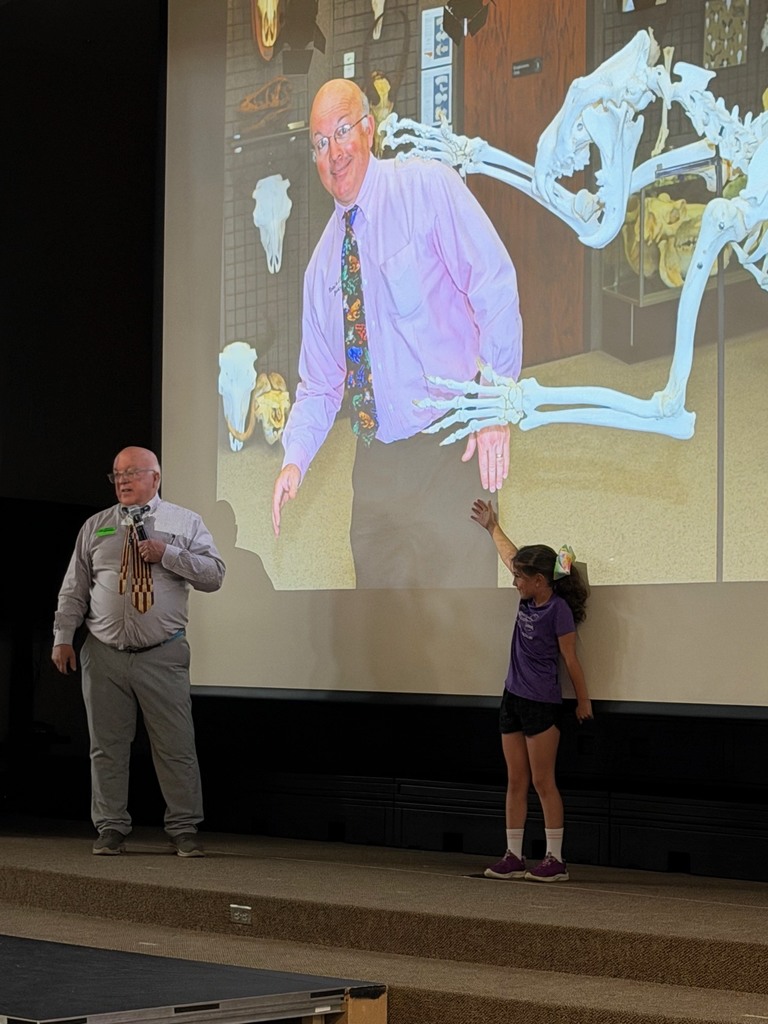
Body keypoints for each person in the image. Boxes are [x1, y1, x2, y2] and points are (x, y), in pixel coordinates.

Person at [272, 78, 523, 588]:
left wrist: (495, 405)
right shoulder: (322, 267)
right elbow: (321, 386)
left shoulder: (428, 188)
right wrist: (293, 460)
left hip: (451, 448)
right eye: (320, 142)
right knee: (380, 640)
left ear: (369, 129)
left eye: (342, 130)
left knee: (465, 629)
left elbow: (493, 283)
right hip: (377, 469)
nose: (333, 151)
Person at [51, 447, 225, 857]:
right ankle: (110, 826)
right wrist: (63, 636)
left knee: (175, 745)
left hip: (161, 653)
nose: (123, 481)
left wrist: (168, 554)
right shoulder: (97, 526)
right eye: (116, 475)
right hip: (104, 651)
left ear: (155, 477)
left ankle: (183, 829)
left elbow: (215, 576)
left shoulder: (184, 522)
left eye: (132, 473)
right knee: (106, 746)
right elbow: (74, 587)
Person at [470, 497, 593, 882]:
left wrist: (584, 701)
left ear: (540, 581)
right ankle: (513, 855)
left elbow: (570, 659)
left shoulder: (557, 610)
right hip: (513, 700)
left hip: (542, 703)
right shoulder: (527, 594)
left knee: (542, 781)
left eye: (520, 577)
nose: (514, 580)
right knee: (516, 780)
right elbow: (511, 555)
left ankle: (555, 860)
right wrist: (492, 527)